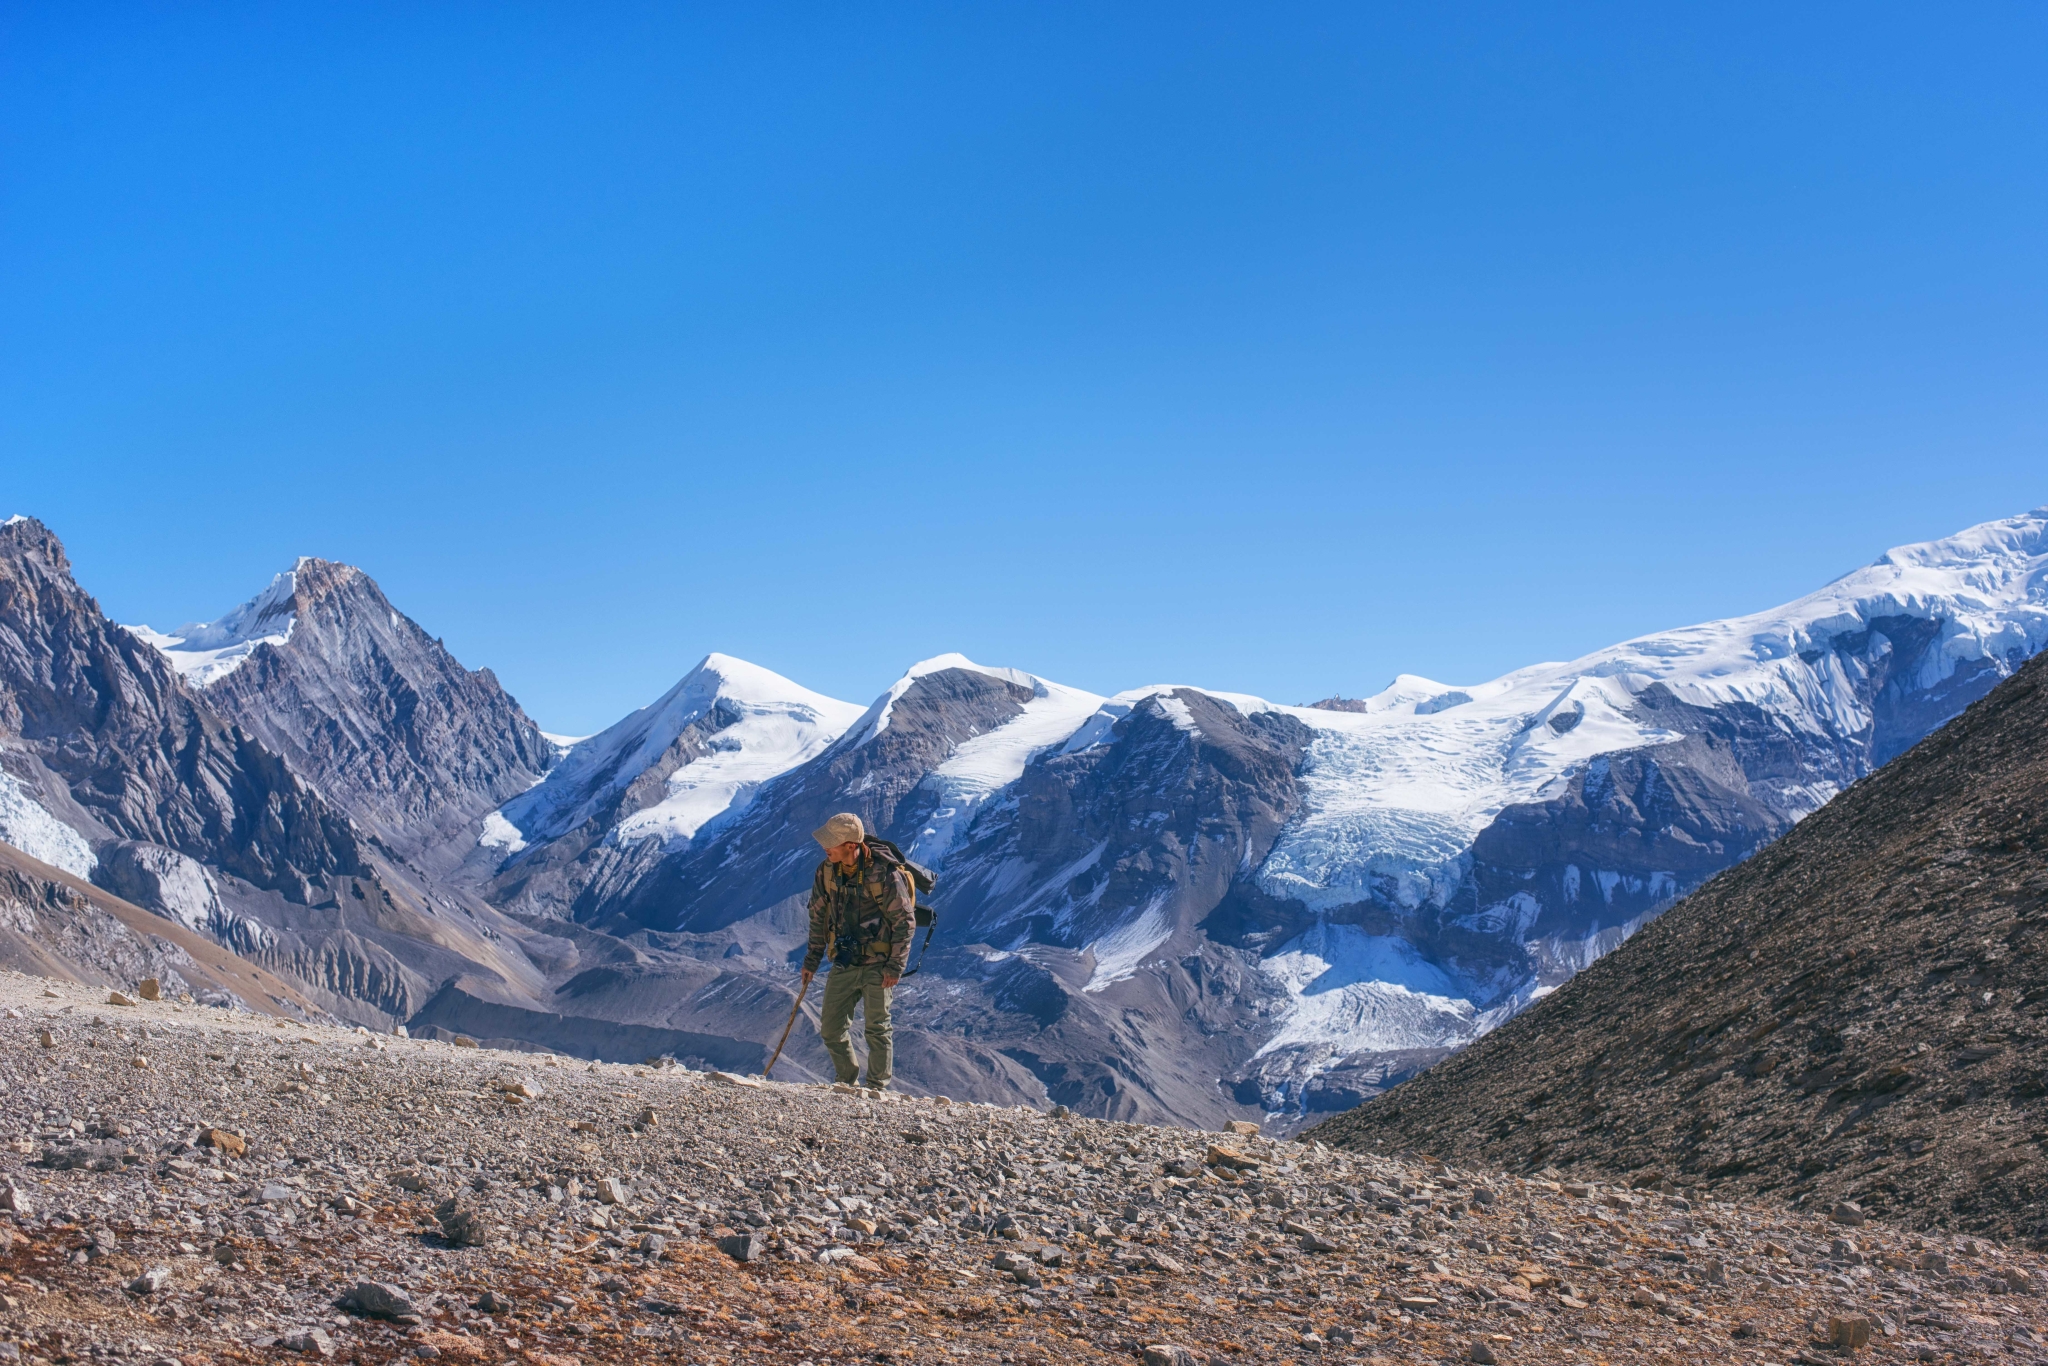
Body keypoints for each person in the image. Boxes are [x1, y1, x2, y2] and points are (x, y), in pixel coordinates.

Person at [803, 812, 913, 1092]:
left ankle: (876, 1089)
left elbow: (904, 922)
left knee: (877, 1029)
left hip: (879, 965)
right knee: (830, 1028)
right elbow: (818, 917)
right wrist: (811, 961)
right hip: (844, 961)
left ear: (851, 845)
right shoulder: (826, 871)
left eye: (832, 843)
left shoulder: (884, 874)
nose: (825, 848)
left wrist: (894, 967)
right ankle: (846, 1081)